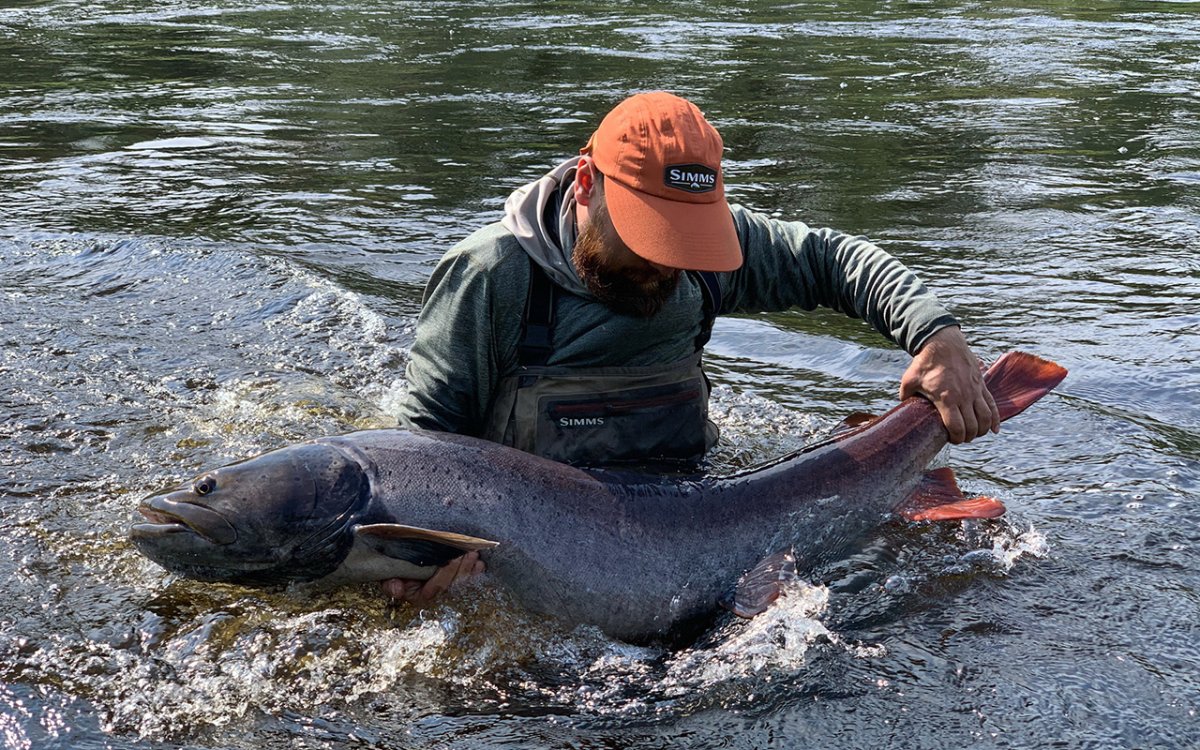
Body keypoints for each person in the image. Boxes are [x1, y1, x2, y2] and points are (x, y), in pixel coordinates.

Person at [383, 91, 1000, 604]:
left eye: (683, 238)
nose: (663, 261)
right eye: (646, 231)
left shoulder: (710, 255)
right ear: (584, 185)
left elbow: (831, 259)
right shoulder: (492, 276)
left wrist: (936, 334)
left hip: (688, 508)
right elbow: (422, 452)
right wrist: (415, 565)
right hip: (544, 541)